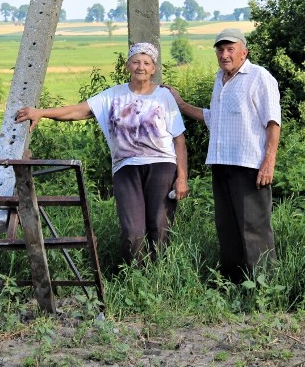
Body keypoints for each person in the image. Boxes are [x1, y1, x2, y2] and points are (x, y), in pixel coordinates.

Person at [15, 42, 188, 266]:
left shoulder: (163, 96)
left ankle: (161, 275)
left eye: (146, 63)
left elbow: (179, 140)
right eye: (136, 61)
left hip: (162, 164)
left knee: (160, 224)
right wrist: (42, 112)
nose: (141, 67)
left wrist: (182, 177)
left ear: (153, 68)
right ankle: (136, 276)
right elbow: (79, 110)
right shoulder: (113, 96)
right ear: (128, 65)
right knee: (132, 229)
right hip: (126, 167)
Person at [164, 28, 281, 283]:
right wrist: (181, 105)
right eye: (220, 49)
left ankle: (263, 287)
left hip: (249, 165)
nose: (224, 54)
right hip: (221, 164)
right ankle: (234, 284)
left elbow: (273, 122)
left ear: (243, 52)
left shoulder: (259, 77)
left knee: (253, 229)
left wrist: (268, 163)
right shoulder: (220, 79)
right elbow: (213, 118)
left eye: (230, 49)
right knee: (227, 228)